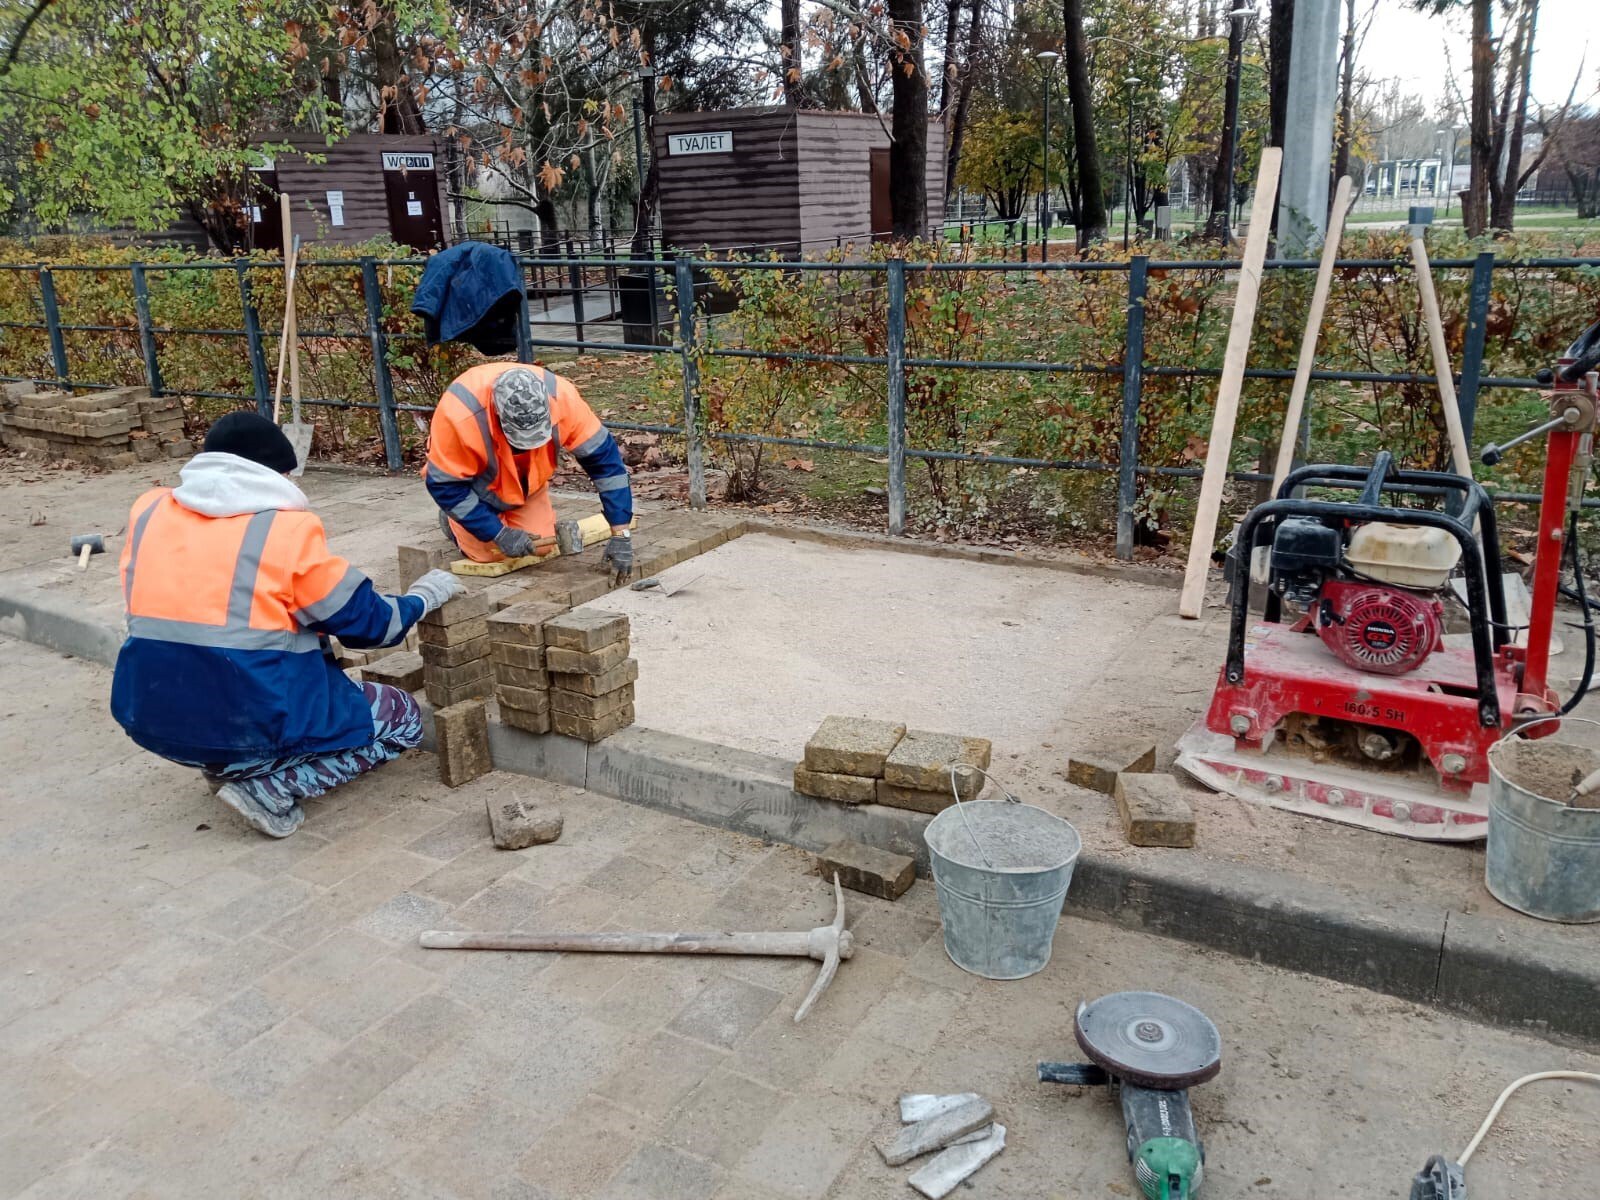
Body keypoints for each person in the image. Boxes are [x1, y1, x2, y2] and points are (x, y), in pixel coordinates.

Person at [109, 412, 464, 838]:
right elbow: (372, 626)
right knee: (402, 716)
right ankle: (270, 787)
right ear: (275, 473)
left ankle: (229, 764)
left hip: (151, 717)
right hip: (250, 719)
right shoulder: (283, 531)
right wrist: (422, 598)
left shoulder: (150, 510)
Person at [423, 363, 634, 580]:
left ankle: (495, 515)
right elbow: (445, 486)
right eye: (520, 442)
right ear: (497, 415)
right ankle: (453, 520)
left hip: (527, 486)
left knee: (540, 546)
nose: (527, 448)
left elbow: (607, 465)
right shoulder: (459, 417)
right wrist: (497, 533)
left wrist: (621, 533)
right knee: (491, 553)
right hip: (476, 488)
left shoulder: (563, 399)